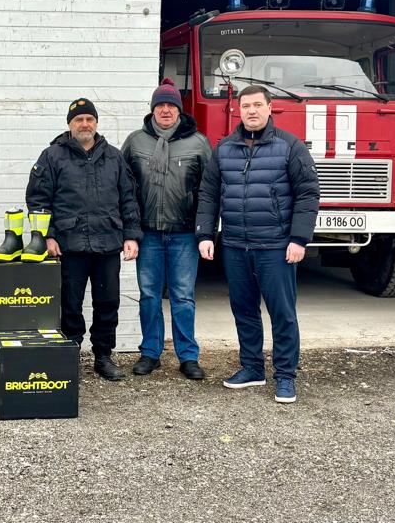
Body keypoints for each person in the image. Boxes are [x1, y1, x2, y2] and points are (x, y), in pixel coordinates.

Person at [196, 85, 319, 404]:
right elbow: (209, 193)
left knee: (282, 313)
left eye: (257, 105)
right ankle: (252, 368)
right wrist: (205, 234)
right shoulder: (224, 148)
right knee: (244, 310)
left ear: (269, 108)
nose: (251, 111)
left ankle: (286, 376)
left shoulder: (290, 146)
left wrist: (299, 238)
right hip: (236, 245)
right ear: (238, 109)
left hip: (276, 247)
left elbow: (308, 194)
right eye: (245, 105)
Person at [26, 98, 142, 381]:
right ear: (70, 124)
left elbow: (128, 199)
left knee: (107, 302)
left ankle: (103, 356)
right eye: (79, 119)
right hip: (69, 245)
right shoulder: (52, 156)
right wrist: (47, 236)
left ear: (96, 123)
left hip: (107, 244)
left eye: (89, 119)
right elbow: (38, 200)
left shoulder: (114, 157)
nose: (85, 124)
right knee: (69, 303)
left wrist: (131, 236)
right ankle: (70, 352)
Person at [121, 84, 212, 380]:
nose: (165, 110)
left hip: (184, 234)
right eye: (160, 105)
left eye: (171, 105)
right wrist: (129, 232)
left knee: (183, 297)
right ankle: (150, 353)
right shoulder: (135, 142)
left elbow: (209, 192)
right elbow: (124, 189)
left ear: (179, 110)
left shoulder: (198, 143)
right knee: (148, 296)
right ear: (152, 109)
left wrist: (205, 232)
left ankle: (188, 356)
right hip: (148, 235)